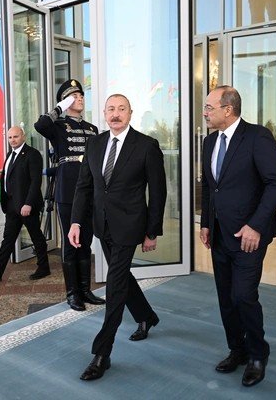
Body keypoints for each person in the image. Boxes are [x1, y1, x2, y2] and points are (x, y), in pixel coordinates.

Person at [69, 93, 167, 381]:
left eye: (121, 109)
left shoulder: (146, 145)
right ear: (104, 113)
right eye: (111, 109)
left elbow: (158, 192)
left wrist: (152, 231)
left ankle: (102, 353)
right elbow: (84, 186)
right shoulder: (95, 144)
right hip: (102, 225)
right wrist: (75, 222)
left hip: (130, 226)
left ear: (130, 113)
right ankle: (146, 316)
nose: (116, 114)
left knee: (114, 286)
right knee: (121, 277)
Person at [199, 85, 276, 388]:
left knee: (243, 296)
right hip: (219, 234)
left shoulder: (257, 137)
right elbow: (210, 187)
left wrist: (256, 225)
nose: (205, 112)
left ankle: (258, 354)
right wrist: (206, 223)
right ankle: (237, 349)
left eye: (209, 107)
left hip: (249, 235)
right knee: (226, 297)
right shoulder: (209, 142)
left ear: (228, 109)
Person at [34, 79, 104, 310]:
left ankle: (85, 290)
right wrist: (61, 106)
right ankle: (72, 293)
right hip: (68, 190)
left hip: (90, 191)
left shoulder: (92, 129)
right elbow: (40, 124)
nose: (80, 98)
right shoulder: (58, 126)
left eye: (81, 95)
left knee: (85, 241)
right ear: (65, 101)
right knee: (70, 241)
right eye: (74, 96)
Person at [0, 126, 49, 281]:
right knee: (8, 239)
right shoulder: (10, 154)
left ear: (23, 136)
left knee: (36, 237)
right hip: (11, 205)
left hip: (26, 206)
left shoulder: (33, 154)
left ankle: (44, 268)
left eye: (15, 136)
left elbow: (36, 182)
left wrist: (28, 204)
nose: (12, 140)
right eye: (10, 137)